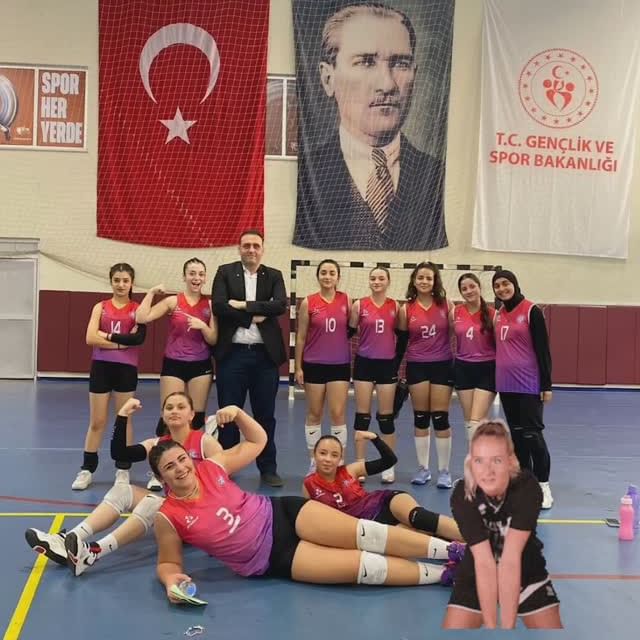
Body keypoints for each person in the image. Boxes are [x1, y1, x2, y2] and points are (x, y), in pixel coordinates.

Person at [151, 409, 460, 600]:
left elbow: (257, 441)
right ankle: (445, 575)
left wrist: (239, 414)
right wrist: (169, 580)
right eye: (169, 467)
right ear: (161, 477)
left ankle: (455, 551)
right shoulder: (168, 516)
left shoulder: (211, 467)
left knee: (368, 533)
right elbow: (168, 563)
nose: (180, 468)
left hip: (283, 514)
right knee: (367, 567)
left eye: (182, 459)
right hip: (274, 558)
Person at [293, 3, 447, 251]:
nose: (387, 85)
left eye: (401, 63)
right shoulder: (304, 175)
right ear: (328, 78)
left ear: (415, 75)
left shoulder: (437, 176)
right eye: (366, 62)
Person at [25, 393, 222, 575]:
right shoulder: (158, 444)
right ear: (162, 415)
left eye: (181, 407)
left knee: (153, 503)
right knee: (123, 490)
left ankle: (93, 553)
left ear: (192, 414)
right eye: (169, 408)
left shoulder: (205, 443)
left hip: (199, 520)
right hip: (174, 514)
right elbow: (120, 454)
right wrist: (122, 415)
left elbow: (223, 486)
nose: (174, 411)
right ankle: (68, 539)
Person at [442, 420, 562, 629]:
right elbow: (483, 562)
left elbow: (511, 559)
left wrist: (506, 628)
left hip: (527, 571)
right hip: (476, 573)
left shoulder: (527, 488)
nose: (487, 470)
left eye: (496, 460)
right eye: (479, 461)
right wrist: (492, 626)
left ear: (511, 461)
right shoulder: (463, 494)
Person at [211, 230, 287, 487]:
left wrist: (243, 305)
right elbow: (219, 306)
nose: (251, 250)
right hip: (232, 356)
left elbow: (279, 305)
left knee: (265, 415)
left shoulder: (273, 275)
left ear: (262, 249)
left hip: (265, 357)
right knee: (228, 415)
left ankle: (268, 468)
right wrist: (253, 317)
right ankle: (226, 467)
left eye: (256, 245)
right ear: (239, 248)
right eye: (246, 246)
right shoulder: (225, 272)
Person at [304, 431, 463, 546]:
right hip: (370, 525)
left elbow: (389, 460)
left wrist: (374, 438)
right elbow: (310, 518)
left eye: (334, 455)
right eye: (323, 453)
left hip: (385, 502)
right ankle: (464, 547)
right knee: (418, 537)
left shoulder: (350, 470)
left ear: (340, 458)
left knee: (419, 518)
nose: (328, 459)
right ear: (315, 455)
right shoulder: (309, 484)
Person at [71, 263, 146, 491]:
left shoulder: (137, 309)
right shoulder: (100, 307)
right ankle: (87, 469)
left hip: (126, 369)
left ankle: (123, 468)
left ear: (131, 283)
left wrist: (107, 339)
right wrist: (121, 344)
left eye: (125, 280)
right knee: (97, 421)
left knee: (125, 420)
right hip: (101, 367)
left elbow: (137, 340)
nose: (121, 285)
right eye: (117, 280)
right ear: (111, 281)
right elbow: (90, 338)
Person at [492, 270, 554, 509]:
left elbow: (543, 350)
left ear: (515, 284)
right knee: (517, 437)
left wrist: (546, 384)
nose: (502, 288)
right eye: (497, 285)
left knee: (533, 436)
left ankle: (543, 485)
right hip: (506, 384)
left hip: (529, 383)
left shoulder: (531, 311)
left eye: (505, 283)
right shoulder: (498, 314)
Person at [397, 262, 454, 488]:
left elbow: (455, 333)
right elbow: (402, 341)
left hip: (442, 365)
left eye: (429, 278)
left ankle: (444, 471)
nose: (424, 281)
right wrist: (394, 369)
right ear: (414, 280)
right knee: (421, 417)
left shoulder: (447, 305)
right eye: (420, 277)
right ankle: (423, 469)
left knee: (440, 418)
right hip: (417, 365)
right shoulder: (406, 309)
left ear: (435, 281)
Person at [294, 259, 350, 474]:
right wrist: (298, 367)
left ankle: (339, 461)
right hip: (314, 364)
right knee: (315, 413)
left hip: (339, 364)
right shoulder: (309, 302)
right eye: (323, 272)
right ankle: (313, 461)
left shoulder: (347, 300)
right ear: (318, 276)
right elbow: (301, 336)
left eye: (332, 273)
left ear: (338, 277)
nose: (327, 276)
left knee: (338, 413)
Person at [349, 267, 399, 483]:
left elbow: (402, 335)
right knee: (362, 416)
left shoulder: (395, 306)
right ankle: (360, 464)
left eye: (381, 278)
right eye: (373, 278)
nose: (377, 281)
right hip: (364, 363)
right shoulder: (359, 305)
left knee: (386, 418)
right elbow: (349, 331)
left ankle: (389, 465)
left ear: (388, 281)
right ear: (369, 282)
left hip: (387, 364)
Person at [452, 273, 496, 444]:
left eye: (472, 286)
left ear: (479, 287)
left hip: (487, 369)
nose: (469, 291)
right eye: (464, 288)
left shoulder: (493, 314)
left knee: (475, 420)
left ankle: (476, 459)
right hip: (463, 368)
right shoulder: (455, 312)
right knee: (470, 420)